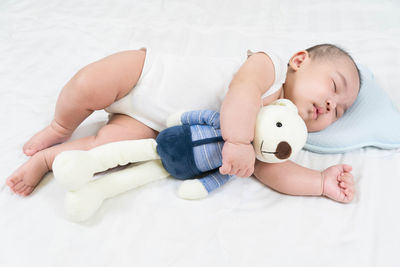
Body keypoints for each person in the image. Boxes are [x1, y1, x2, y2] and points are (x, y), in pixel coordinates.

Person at [5, 43, 360, 202]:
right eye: (333, 88)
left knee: (110, 151)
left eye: (338, 111)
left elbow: (271, 171)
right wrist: (236, 142)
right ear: (300, 60)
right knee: (87, 86)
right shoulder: (269, 66)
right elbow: (242, 92)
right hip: (144, 74)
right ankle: (59, 126)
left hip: (152, 125)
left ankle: (46, 160)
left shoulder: (274, 133)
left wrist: (319, 182)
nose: (330, 105)